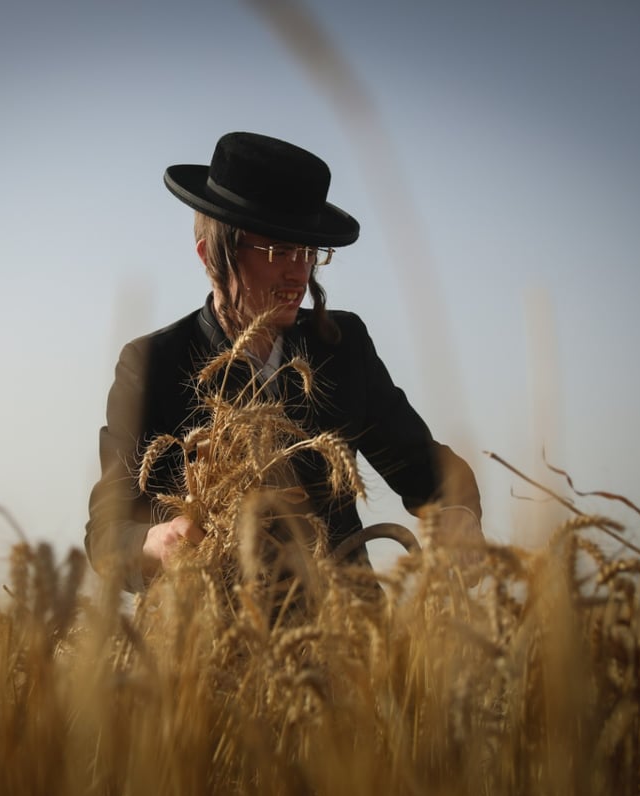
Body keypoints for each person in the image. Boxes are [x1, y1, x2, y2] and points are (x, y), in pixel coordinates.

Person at [85, 131, 483, 592]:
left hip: (348, 642)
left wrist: (457, 516)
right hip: (210, 650)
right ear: (210, 257)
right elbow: (106, 534)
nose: (299, 272)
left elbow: (426, 469)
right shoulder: (151, 365)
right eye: (278, 251)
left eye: (309, 252)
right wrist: (153, 542)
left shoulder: (342, 347)